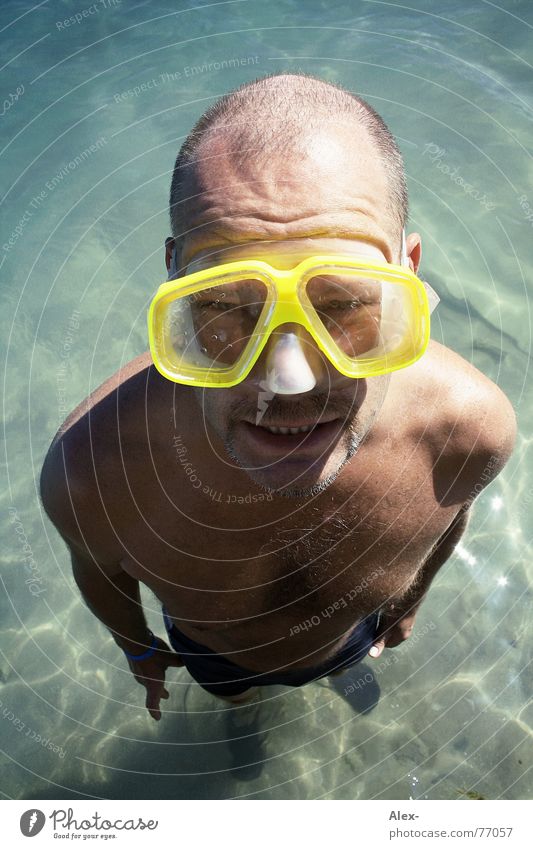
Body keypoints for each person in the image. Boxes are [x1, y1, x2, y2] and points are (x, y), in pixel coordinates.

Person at [40, 73, 516, 719]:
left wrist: (408, 603)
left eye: (343, 302)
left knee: (349, 665)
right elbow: (99, 573)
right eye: (224, 306)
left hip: (349, 636)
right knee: (231, 698)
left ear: (407, 272)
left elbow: (449, 514)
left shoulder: (468, 429)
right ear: (174, 277)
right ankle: (241, 710)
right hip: (212, 653)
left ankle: (339, 669)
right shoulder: (94, 467)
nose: (288, 380)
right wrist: (139, 650)